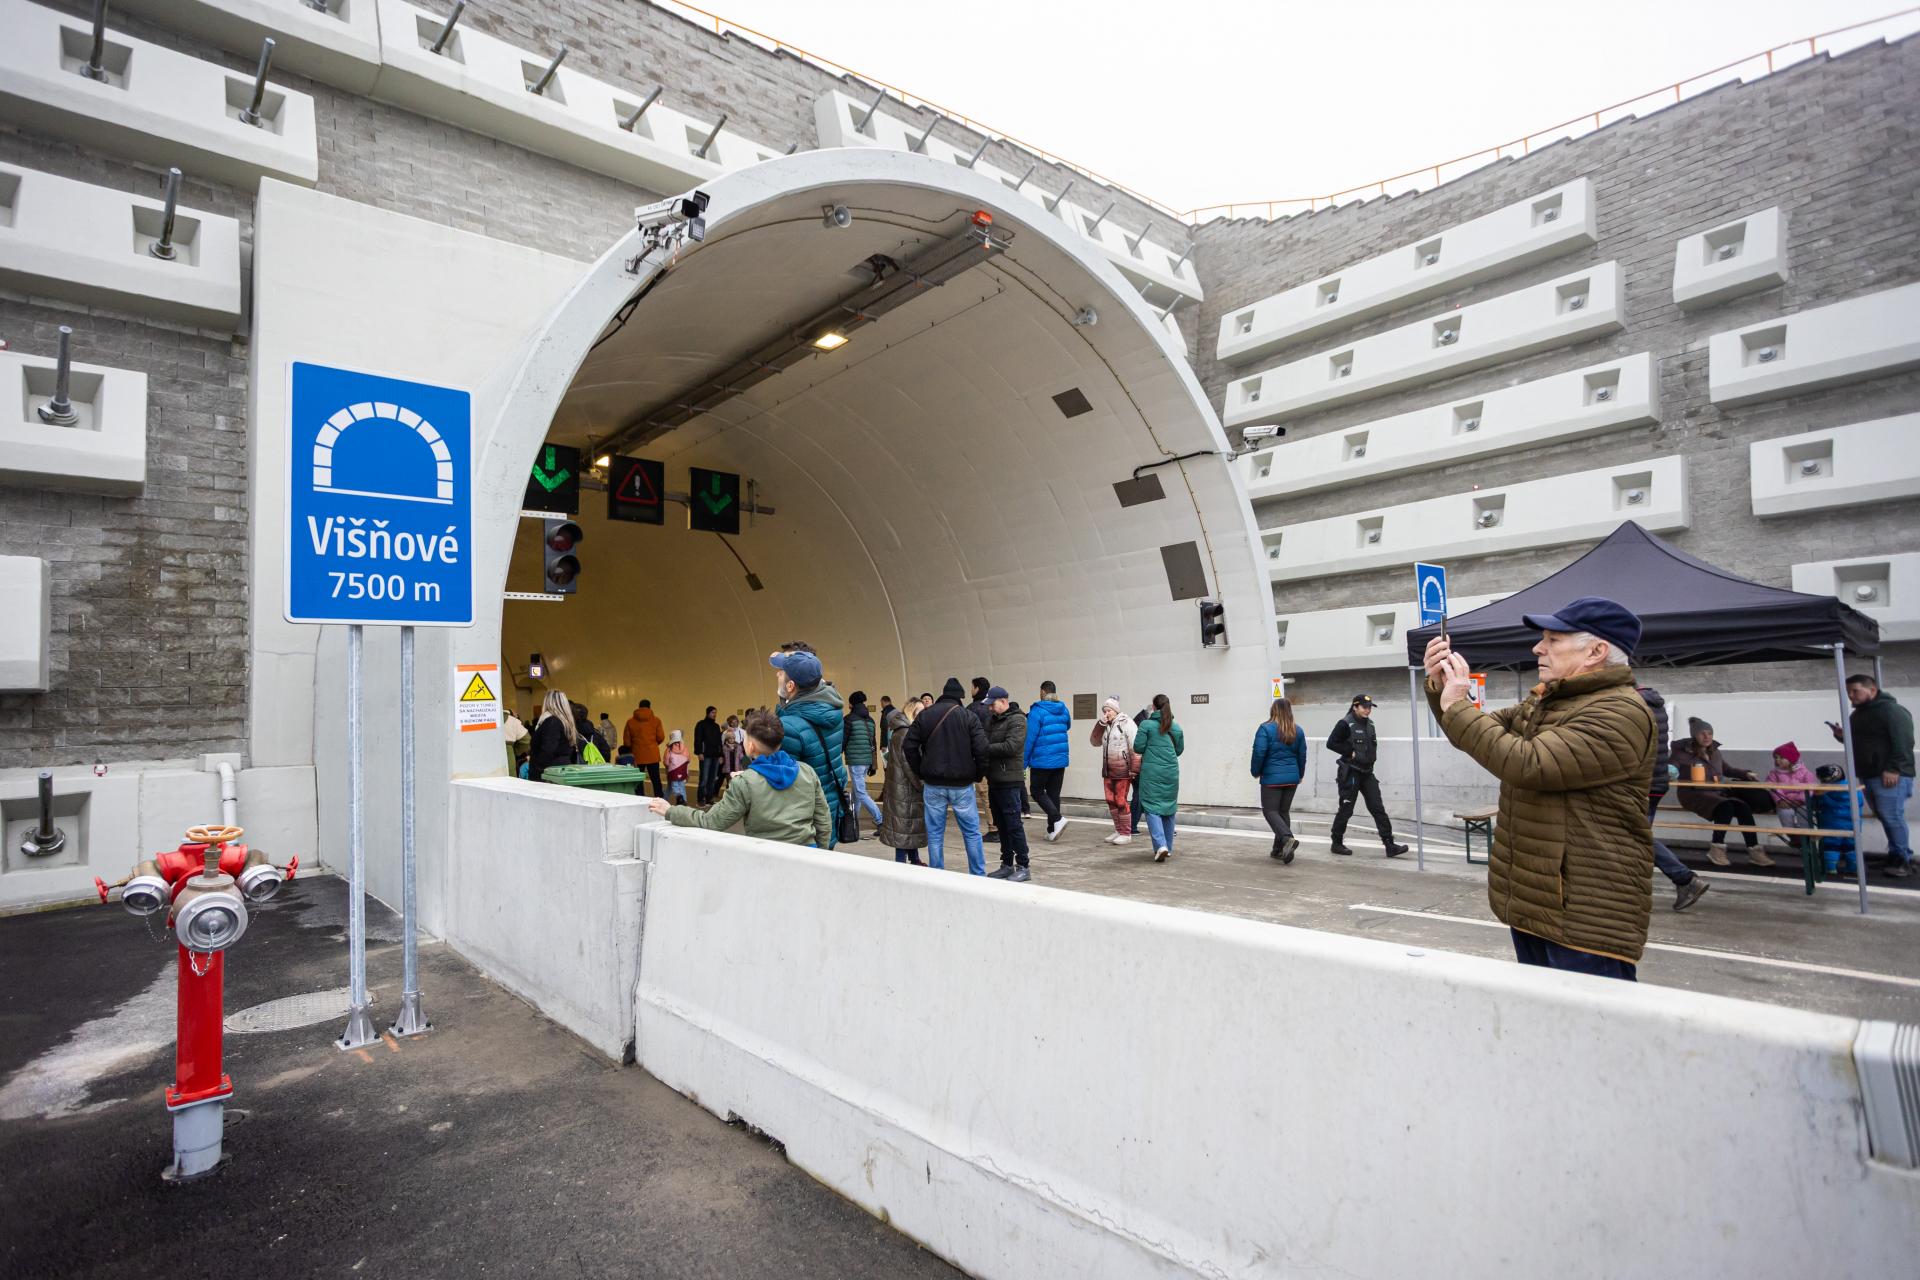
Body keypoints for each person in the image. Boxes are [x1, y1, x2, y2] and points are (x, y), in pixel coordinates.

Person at [1423, 596, 1656, 981]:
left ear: (1596, 651)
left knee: (1590, 1033)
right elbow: (1476, 732)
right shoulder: (1550, 701)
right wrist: (1441, 687)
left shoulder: (1619, 711)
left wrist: (1458, 705)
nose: (1537, 648)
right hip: (1539, 903)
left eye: (1552, 639)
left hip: (1585, 915)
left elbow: (1527, 763)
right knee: (1547, 1027)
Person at [647, 710, 832, 848]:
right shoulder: (807, 772)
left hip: (766, 859)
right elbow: (823, 821)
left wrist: (671, 811)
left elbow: (711, 822)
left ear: (750, 747)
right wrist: (820, 855)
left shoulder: (745, 783)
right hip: (807, 854)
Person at [1830, 674, 1914, 877]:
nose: (1851, 696)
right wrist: (1841, 736)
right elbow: (1857, 743)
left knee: (1892, 816)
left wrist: (1894, 768)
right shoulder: (1858, 715)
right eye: (1848, 692)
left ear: (1872, 690)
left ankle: (1903, 859)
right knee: (1886, 816)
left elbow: (1904, 742)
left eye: (1855, 691)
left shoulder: (1892, 711)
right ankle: (1895, 855)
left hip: (1889, 774)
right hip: (1869, 773)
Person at [902, 677, 989, 874]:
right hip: (962, 785)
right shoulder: (968, 717)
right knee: (971, 833)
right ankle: (978, 875)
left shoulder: (925, 716)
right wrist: (978, 774)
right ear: (960, 697)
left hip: (933, 784)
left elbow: (909, 746)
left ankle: (937, 875)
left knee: (935, 834)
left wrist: (920, 770)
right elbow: (982, 749)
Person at [1638, 684, 1709, 912]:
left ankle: (1685, 879)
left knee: (1636, 836)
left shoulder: (1632, 703)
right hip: (1655, 782)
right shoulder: (1654, 703)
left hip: (1641, 784)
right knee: (1636, 836)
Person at [1671, 718, 1773, 868]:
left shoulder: (1715, 752)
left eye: (1710, 733)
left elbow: (1727, 770)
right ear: (1694, 736)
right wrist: (1670, 770)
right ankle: (1716, 849)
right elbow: (1673, 765)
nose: (1707, 737)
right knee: (1726, 807)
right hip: (1692, 794)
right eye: (1702, 734)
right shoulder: (1682, 753)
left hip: (1715, 792)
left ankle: (1754, 851)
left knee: (1742, 807)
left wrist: (1746, 774)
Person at [771, 649, 846, 846]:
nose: (777, 674)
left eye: (781, 672)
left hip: (803, 822)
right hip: (828, 809)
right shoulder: (833, 710)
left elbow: (784, 781)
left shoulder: (790, 727)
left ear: (790, 685)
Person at [1326, 695, 1409, 858]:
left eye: (1369, 707)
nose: (1367, 710)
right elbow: (1331, 743)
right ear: (1355, 707)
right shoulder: (1344, 723)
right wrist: (1349, 751)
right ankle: (1336, 842)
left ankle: (1389, 845)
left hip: (1367, 773)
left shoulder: (1370, 724)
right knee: (1346, 809)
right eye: (1364, 707)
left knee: (1378, 808)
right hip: (1351, 772)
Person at [1251, 697, 1306, 864]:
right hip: (1292, 777)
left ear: (1273, 710)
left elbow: (1259, 752)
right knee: (1283, 812)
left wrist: (1256, 771)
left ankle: (1287, 838)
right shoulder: (1298, 730)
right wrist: (1300, 775)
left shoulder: (1265, 729)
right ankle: (1279, 850)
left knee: (1270, 811)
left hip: (1272, 778)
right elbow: (1302, 755)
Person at [984, 687, 1032, 881]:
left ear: (1003, 701)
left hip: (1010, 781)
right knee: (1001, 825)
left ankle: (1023, 865)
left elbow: (1012, 746)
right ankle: (1006, 864)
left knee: (1013, 825)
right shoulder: (993, 720)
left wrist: (984, 748)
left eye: (992, 705)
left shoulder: (1018, 720)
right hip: (994, 779)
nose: (990, 709)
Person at [1132, 693, 1185, 863]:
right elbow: (1178, 750)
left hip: (1152, 772)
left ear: (1153, 707)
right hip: (1171, 772)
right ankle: (1167, 848)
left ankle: (1160, 845)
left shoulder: (1146, 725)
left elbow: (1138, 747)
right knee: (1169, 809)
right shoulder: (1175, 727)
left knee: (1151, 808)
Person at [877, 703, 926, 864]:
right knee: (903, 825)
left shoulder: (902, 731)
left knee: (907, 824)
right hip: (904, 787)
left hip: (901, 786)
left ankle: (914, 857)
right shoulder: (905, 733)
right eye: (920, 712)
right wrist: (920, 784)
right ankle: (901, 862)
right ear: (912, 712)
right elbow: (908, 764)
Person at [1024, 681, 1071, 842]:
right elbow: (1067, 725)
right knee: (1053, 794)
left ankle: (1057, 819)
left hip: (1042, 760)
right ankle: (1052, 830)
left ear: (1043, 692)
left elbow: (1029, 739)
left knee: (1036, 791)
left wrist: (1023, 763)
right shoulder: (1063, 709)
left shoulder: (1037, 711)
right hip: (1060, 759)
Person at [1089, 699, 1136, 845]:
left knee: (1121, 801)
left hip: (1123, 770)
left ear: (1116, 710)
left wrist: (1134, 769)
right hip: (1108, 770)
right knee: (1111, 801)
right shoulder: (1106, 725)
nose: (1106, 713)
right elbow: (1094, 742)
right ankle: (1118, 830)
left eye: (1108, 710)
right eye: (1104, 711)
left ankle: (1126, 833)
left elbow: (1135, 746)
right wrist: (1100, 725)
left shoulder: (1126, 723)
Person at [1812, 764, 1863, 877]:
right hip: (1853, 824)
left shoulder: (1825, 792)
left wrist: (1816, 797)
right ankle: (1854, 867)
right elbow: (1860, 803)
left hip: (1831, 823)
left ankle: (1830, 867)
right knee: (1851, 846)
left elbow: (1815, 805)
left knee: (1831, 845)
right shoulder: (1854, 789)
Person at [842, 692, 885, 826]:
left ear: (851, 704)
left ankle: (880, 820)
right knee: (856, 791)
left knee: (860, 792)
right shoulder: (870, 720)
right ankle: (853, 820)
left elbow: (843, 740)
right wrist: (874, 763)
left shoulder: (849, 719)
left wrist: (838, 752)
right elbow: (874, 742)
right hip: (867, 761)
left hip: (856, 761)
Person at [1765, 742, 1817, 847]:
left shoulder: (1805, 773)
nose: (1777, 760)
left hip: (1801, 802)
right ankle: (1793, 836)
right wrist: (1780, 800)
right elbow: (1773, 787)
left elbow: (1809, 788)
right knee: (1785, 814)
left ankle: (1805, 836)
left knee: (1805, 814)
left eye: (1781, 758)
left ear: (1791, 760)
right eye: (1775, 757)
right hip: (1784, 802)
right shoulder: (1773, 773)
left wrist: (1799, 799)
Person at [528, 689, 581, 783]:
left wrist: (538, 770)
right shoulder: (566, 722)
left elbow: (547, 749)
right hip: (560, 769)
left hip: (548, 773)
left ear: (548, 703)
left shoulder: (552, 722)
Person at [968, 676, 997, 834]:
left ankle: (993, 827)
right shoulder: (994, 706)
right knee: (994, 792)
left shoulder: (972, 709)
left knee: (984, 793)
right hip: (995, 755)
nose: (971, 690)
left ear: (977, 688)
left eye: (972, 687)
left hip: (979, 757)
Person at [623, 700, 666, 796]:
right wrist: (653, 744)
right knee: (656, 779)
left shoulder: (630, 722)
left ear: (639, 707)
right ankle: (659, 798)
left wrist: (633, 747)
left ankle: (640, 797)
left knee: (638, 779)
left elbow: (627, 741)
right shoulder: (656, 720)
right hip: (653, 754)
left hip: (637, 755)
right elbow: (661, 737)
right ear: (650, 707)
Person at [694, 706, 725, 805]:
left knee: (712, 779)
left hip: (715, 755)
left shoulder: (716, 726)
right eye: (712, 712)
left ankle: (709, 798)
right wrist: (699, 752)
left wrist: (721, 755)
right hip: (705, 755)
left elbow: (719, 742)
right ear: (708, 713)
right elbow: (698, 739)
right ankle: (700, 799)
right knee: (704, 778)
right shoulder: (701, 725)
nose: (714, 714)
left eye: (715, 712)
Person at [663, 730, 691, 803]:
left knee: (674, 786)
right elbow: (688, 759)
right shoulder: (685, 748)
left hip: (673, 771)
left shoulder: (669, 749)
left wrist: (668, 766)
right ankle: (684, 801)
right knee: (681, 786)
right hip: (683, 770)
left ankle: (679, 798)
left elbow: (666, 761)